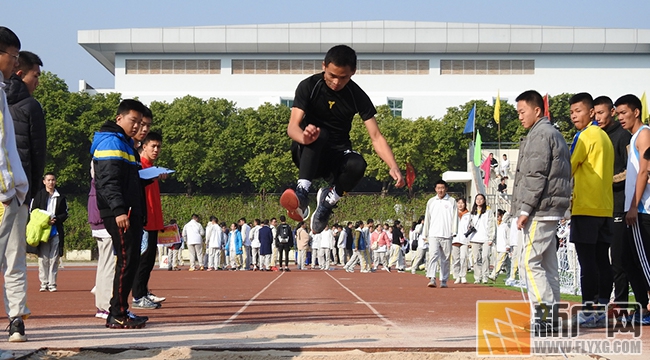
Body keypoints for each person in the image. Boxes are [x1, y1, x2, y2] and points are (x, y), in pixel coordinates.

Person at [279, 44, 404, 233]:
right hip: (308, 152)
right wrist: (304, 137)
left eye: (343, 77)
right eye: (332, 75)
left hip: (336, 157)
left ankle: (328, 203)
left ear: (353, 72)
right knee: (320, 133)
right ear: (324, 66)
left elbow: (376, 136)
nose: (336, 82)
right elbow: (292, 127)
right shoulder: (310, 86)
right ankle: (302, 192)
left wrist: (393, 165)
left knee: (358, 163)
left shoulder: (357, 95)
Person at [511, 90, 571, 334]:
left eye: (522, 112)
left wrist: (525, 208)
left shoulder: (540, 135)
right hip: (551, 208)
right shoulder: (553, 133)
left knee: (529, 262)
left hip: (540, 209)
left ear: (537, 110)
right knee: (548, 266)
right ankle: (551, 318)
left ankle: (545, 318)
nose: (519, 117)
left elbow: (535, 175)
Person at [91, 98, 148, 329]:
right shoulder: (111, 143)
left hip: (128, 210)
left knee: (131, 260)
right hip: (119, 212)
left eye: (140, 122)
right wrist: (118, 211)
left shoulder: (126, 144)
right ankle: (117, 313)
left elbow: (128, 181)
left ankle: (121, 309)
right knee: (125, 261)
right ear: (119, 118)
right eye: (133, 121)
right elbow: (108, 181)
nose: (136, 126)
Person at [569, 92, 614, 327]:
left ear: (591, 112)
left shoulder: (584, 136)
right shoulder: (604, 137)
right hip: (605, 207)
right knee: (601, 261)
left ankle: (588, 309)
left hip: (586, 206)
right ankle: (602, 308)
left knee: (587, 262)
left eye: (578, 111)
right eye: (572, 113)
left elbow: (569, 165)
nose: (574, 116)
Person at [0, 28, 33, 344]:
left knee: (15, 259)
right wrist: (7, 187)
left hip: (15, 189)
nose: (14, 64)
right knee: (8, 258)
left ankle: (16, 318)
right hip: (5, 191)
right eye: (12, 56)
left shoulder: (3, 89)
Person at [595, 96, 633, 306]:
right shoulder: (597, 136)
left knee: (619, 261)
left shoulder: (623, 136)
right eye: (595, 113)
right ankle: (602, 302)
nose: (598, 117)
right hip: (602, 207)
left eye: (602, 113)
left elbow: (631, 171)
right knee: (601, 258)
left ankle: (621, 305)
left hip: (620, 205)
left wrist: (605, 181)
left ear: (611, 111)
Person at [616, 94, 650, 323]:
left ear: (636, 112)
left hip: (643, 210)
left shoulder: (644, 134)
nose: (620, 118)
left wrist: (633, 207)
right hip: (636, 209)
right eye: (617, 113)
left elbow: (644, 172)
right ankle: (643, 308)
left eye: (623, 113)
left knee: (645, 262)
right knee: (628, 261)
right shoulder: (634, 138)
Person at [132, 131, 166, 309]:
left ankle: (143, 292)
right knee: (143, 259)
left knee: (149, 259)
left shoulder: (153, 170)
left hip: (153, 220)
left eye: (159, 147)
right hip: (144, 221)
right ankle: (138, 296)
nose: (156, 150)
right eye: (153, 146)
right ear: (143, 146)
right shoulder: (139, 168)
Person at [31, 172, 68, 292]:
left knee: (54, 258)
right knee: (43, 258)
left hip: (56, 230)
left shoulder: (61, 196)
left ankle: (52, 283)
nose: (51, 182)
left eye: (53, 180)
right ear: (44, 181)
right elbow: (33, 211)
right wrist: (44, 220)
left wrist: (56, 219)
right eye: (48, 180)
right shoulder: (39, 195)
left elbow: (65, 213)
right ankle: (44, 282)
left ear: (55, 181)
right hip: (42, 231)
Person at [422, 180, 458, 288]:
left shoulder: (451, 201)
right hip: (433, 233)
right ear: (435, 189)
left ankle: (444, 280)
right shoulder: (431, 201)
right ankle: (432, 278)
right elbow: (427, 218)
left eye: (442, 188)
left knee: (445, 258)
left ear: (446, 189)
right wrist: (425, 233)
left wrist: (454, 231)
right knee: (433, 255)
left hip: (447, 233)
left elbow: (455, 217)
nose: (440, 190)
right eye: (438, 188)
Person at [467, 194, 495, 284]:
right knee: (476, 258)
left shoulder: (488, 211)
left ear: (484, 200)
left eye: (481, 199)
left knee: (485, 256)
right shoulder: (472, 212)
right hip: (475, 238)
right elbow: (469, 224)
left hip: (486, 238)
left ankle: (485, 276)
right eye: (477, 199)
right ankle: (477, 277)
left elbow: (491, 225)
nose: (479, 200)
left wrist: (491, 238)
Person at [488, 210, 511, 281]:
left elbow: (508, 236)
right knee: (508, 263)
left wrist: (508, 245)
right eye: (496, 216)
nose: (497, 218)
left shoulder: (506, 225)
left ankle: (494, 275)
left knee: (499, 261)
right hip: (498, 247)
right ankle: (509, 276)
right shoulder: (496, 225)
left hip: (504, 247)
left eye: (498, 216)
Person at [452, 198, 470, 284]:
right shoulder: (453, 214)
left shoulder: (469, 215)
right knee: (456, 259)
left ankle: (463, 275)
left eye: (462, 203)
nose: (460, 205)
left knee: (463, 257)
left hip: (464, 239)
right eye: (458, 203)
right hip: (455, 239)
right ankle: (456, 276)